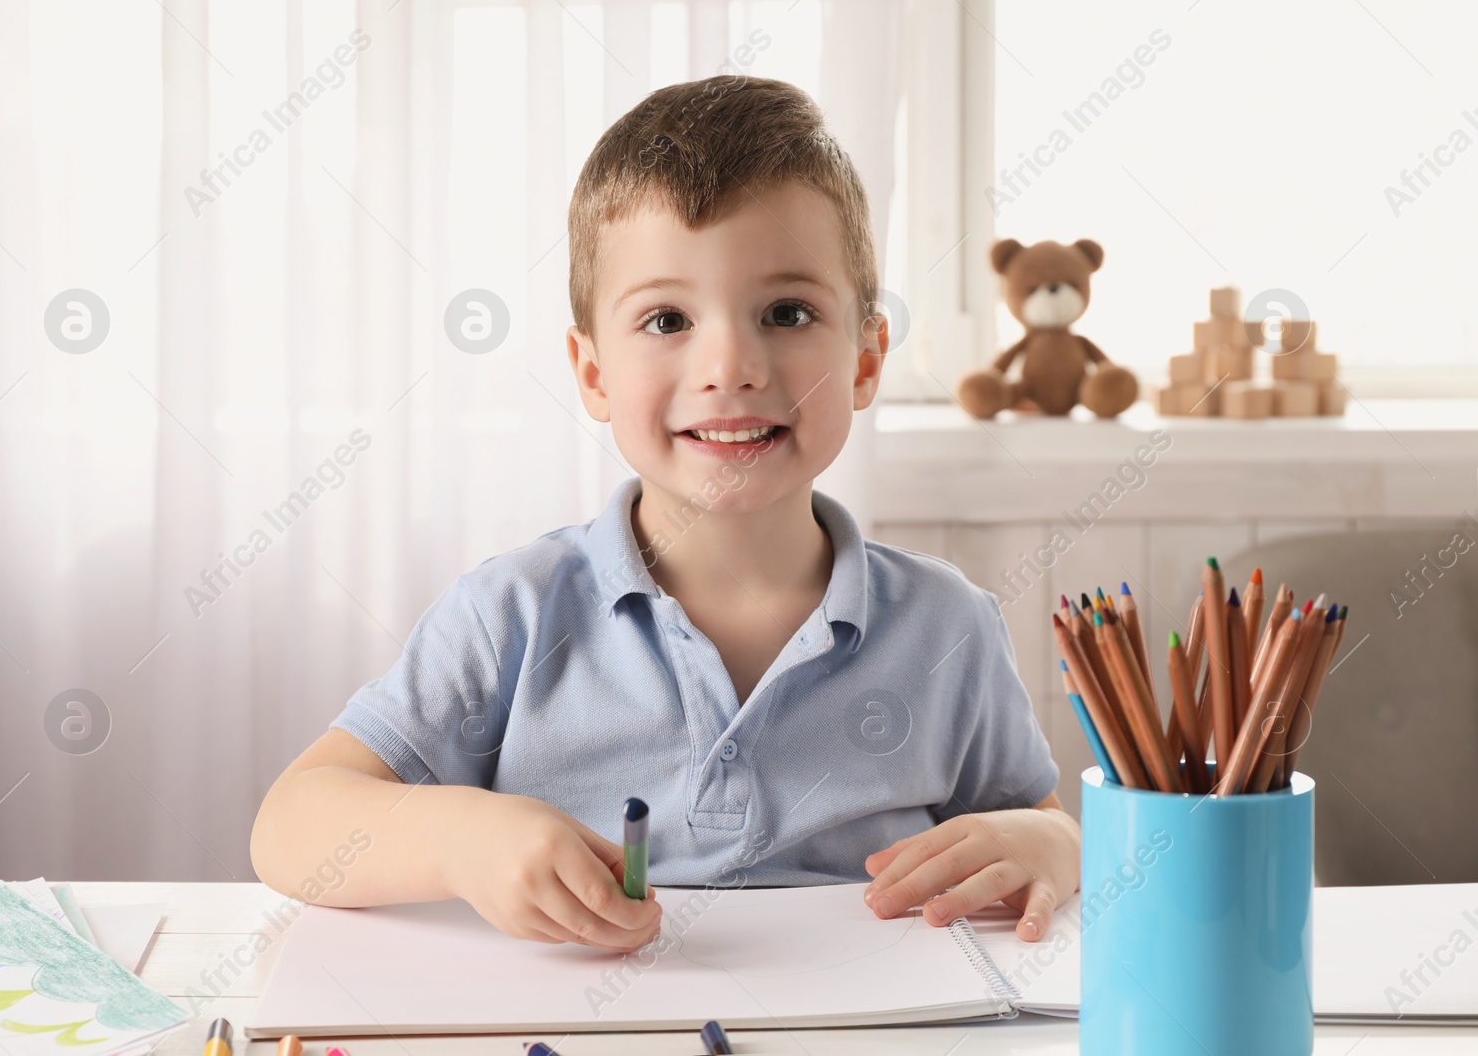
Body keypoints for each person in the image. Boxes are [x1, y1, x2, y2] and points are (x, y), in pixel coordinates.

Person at [251, 75, 1077, 955]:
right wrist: (462, 840)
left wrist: (1055, 846)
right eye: (667, 318)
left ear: (867, 357)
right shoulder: (513, 617)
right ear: (594, 372)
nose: (731, 363)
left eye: (787, 312)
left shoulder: (947, 626)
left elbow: (1037, 823)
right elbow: (290, 828)